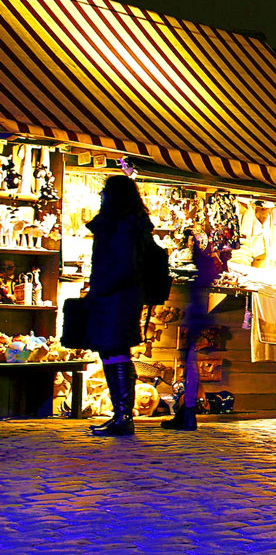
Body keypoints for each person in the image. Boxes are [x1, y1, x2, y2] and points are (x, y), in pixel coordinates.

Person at [85, 175, 155, 437]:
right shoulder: (129, 224)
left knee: (115, 351)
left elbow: (124, 265)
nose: (101, 195)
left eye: (104, 191)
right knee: (113, 351)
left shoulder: (122, 226)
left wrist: (101, 289)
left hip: (115, 296)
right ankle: (122, 414)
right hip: (119, 295)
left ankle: (123, 415)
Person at [162, 229, 221, 431]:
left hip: (197, 314)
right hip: (197, 313)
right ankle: (187, 414)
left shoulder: (202, 265)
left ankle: (187, 414)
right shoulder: (204, 264)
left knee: (190, 364)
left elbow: (200, 290)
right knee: (190, 364)